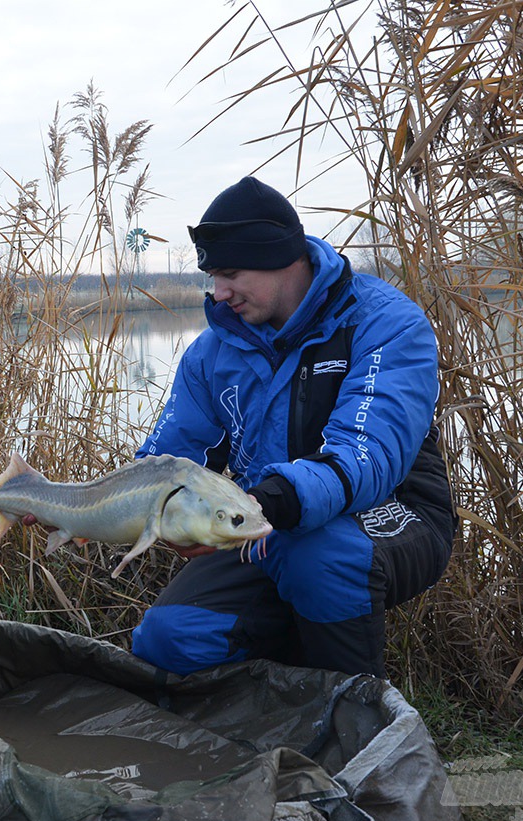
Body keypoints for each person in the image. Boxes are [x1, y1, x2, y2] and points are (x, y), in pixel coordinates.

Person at [128, 176, 455, 679]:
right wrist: (83, 507)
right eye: (213, 276)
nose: (219, 293)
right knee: (168, 639)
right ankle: (283, 684)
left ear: (282, 258)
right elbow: (168, 463)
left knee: (321, 558)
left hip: (393, 512)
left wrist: (265, 502)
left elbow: (368, 457)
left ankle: (353, 718)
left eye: (231, 273)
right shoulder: (210, 354)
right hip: (262, 524)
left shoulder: (386, 323)